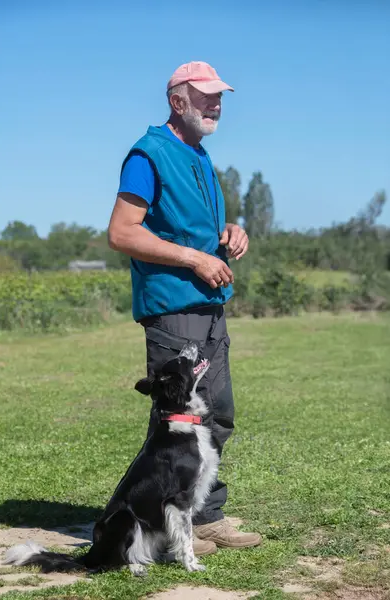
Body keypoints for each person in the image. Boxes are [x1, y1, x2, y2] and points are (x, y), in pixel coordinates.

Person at [108, 61, 262, 556]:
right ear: (178, 101)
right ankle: (158, 527)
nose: (216, 105)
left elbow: (190, 230)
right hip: (174, 309)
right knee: (177, 426)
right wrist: (195, 258)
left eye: (220, 97)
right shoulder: (148, 153)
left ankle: (204, 518)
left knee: (217, 416)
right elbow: (123, 232)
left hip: (210, 305)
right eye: (206, 96)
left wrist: (228, 233)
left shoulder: (198, 155)